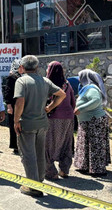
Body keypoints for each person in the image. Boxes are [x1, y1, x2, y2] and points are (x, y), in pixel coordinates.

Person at [13, 55, 66, 197]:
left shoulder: (21, 81)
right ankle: (39, 180)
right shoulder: (45, 81)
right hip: (42, 123)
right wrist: (49, 107)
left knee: (28, 155)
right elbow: (61, 94)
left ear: (22, 67)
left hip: (27, 123)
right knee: (39, 153)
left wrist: (16, 120)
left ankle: (33, 186)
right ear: (37, 68)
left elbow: (20, 102)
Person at [74, 69, 110, 177]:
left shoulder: (92, 89)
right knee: (86, 144)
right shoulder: (86, 89)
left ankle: (97, 169)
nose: (79, 79)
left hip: (94, 120)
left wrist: (81, 108)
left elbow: (95, 101)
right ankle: (85, 166)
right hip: (88, 121)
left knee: (95, 145)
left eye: (81, 77)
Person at [45, 61, 75, 180]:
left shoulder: (48, 84)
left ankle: (51, 172)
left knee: (48, 145)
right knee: (66, 144)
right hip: (68, 118)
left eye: (48, 68)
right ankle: (64, 170)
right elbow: (73, 101)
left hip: (52, 118)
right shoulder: (67, 84)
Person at [3, 59, 24, 155]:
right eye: (20, 66)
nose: (22, 68)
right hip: (14, 104)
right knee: (13, 124)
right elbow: (7, 92)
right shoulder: (11, 77)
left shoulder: (22, 77)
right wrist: (9, 106)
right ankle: (15, 146)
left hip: (21, 104)